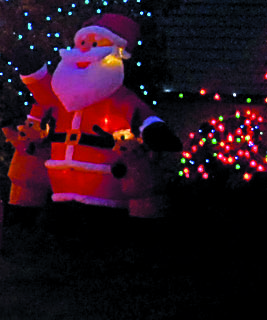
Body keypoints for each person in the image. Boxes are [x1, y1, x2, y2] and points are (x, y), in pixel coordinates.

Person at [18, 13, 179, 210]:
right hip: (60, 188)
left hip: (102, 191)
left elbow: (139, 113)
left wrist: (153, 129)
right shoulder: (61, 90)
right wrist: (32, 70)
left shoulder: (117, 97)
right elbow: (43, 91)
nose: (85, 50)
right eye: (82, 43)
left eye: (94, 44)